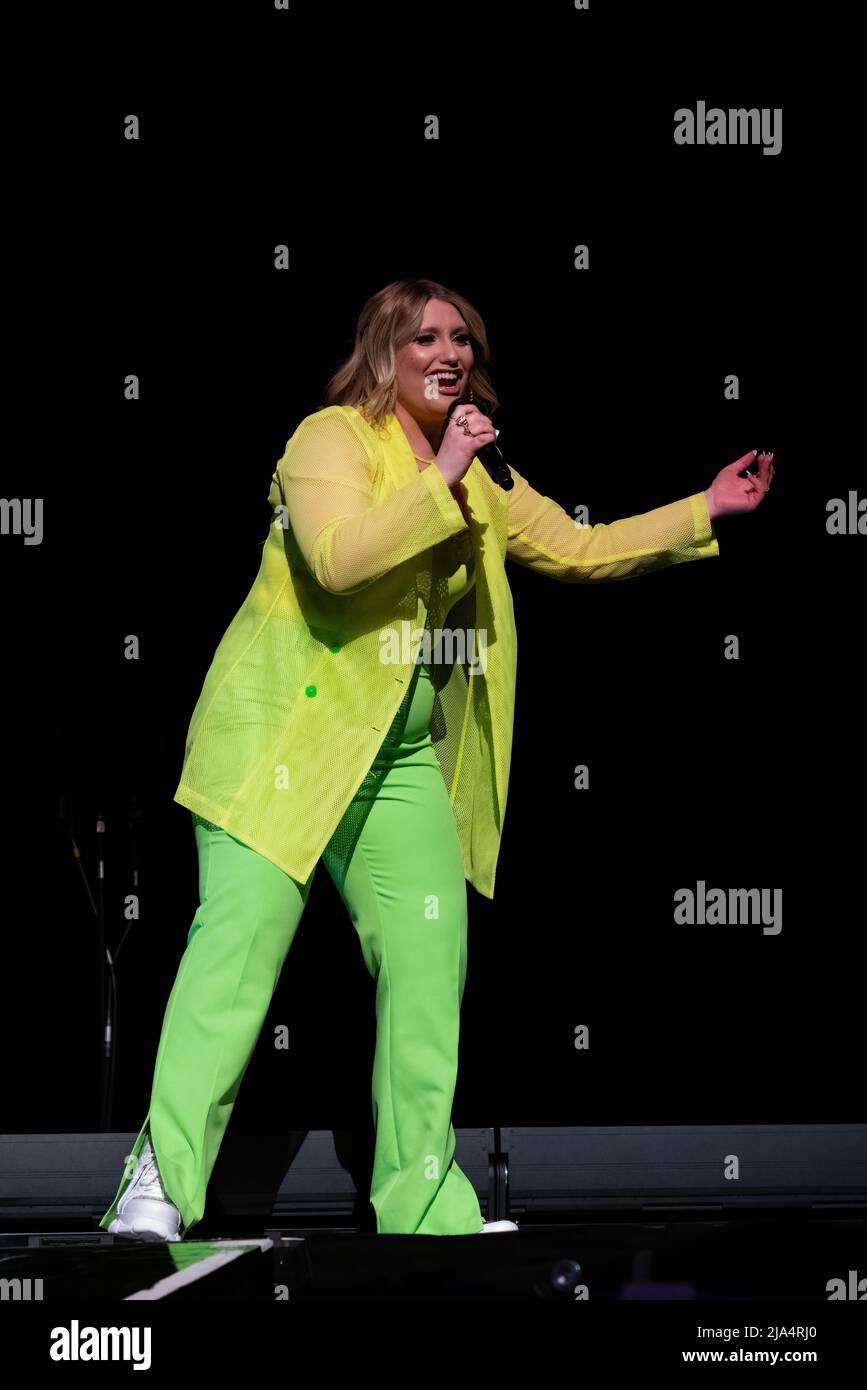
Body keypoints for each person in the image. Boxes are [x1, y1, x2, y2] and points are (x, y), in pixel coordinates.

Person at [98, 276, 774, 1242]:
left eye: (462, 339)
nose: (449, 354)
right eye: (423, 339)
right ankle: (159, 1186)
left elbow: (580, 549)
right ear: (384, 353)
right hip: (283, 743)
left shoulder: (483, 478)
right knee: (235, 962)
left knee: (428, 966)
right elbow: (335, 560)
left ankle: (421, 1199)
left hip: (399, 759)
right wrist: (442, 473)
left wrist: (701, 509)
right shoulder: (328, 438)